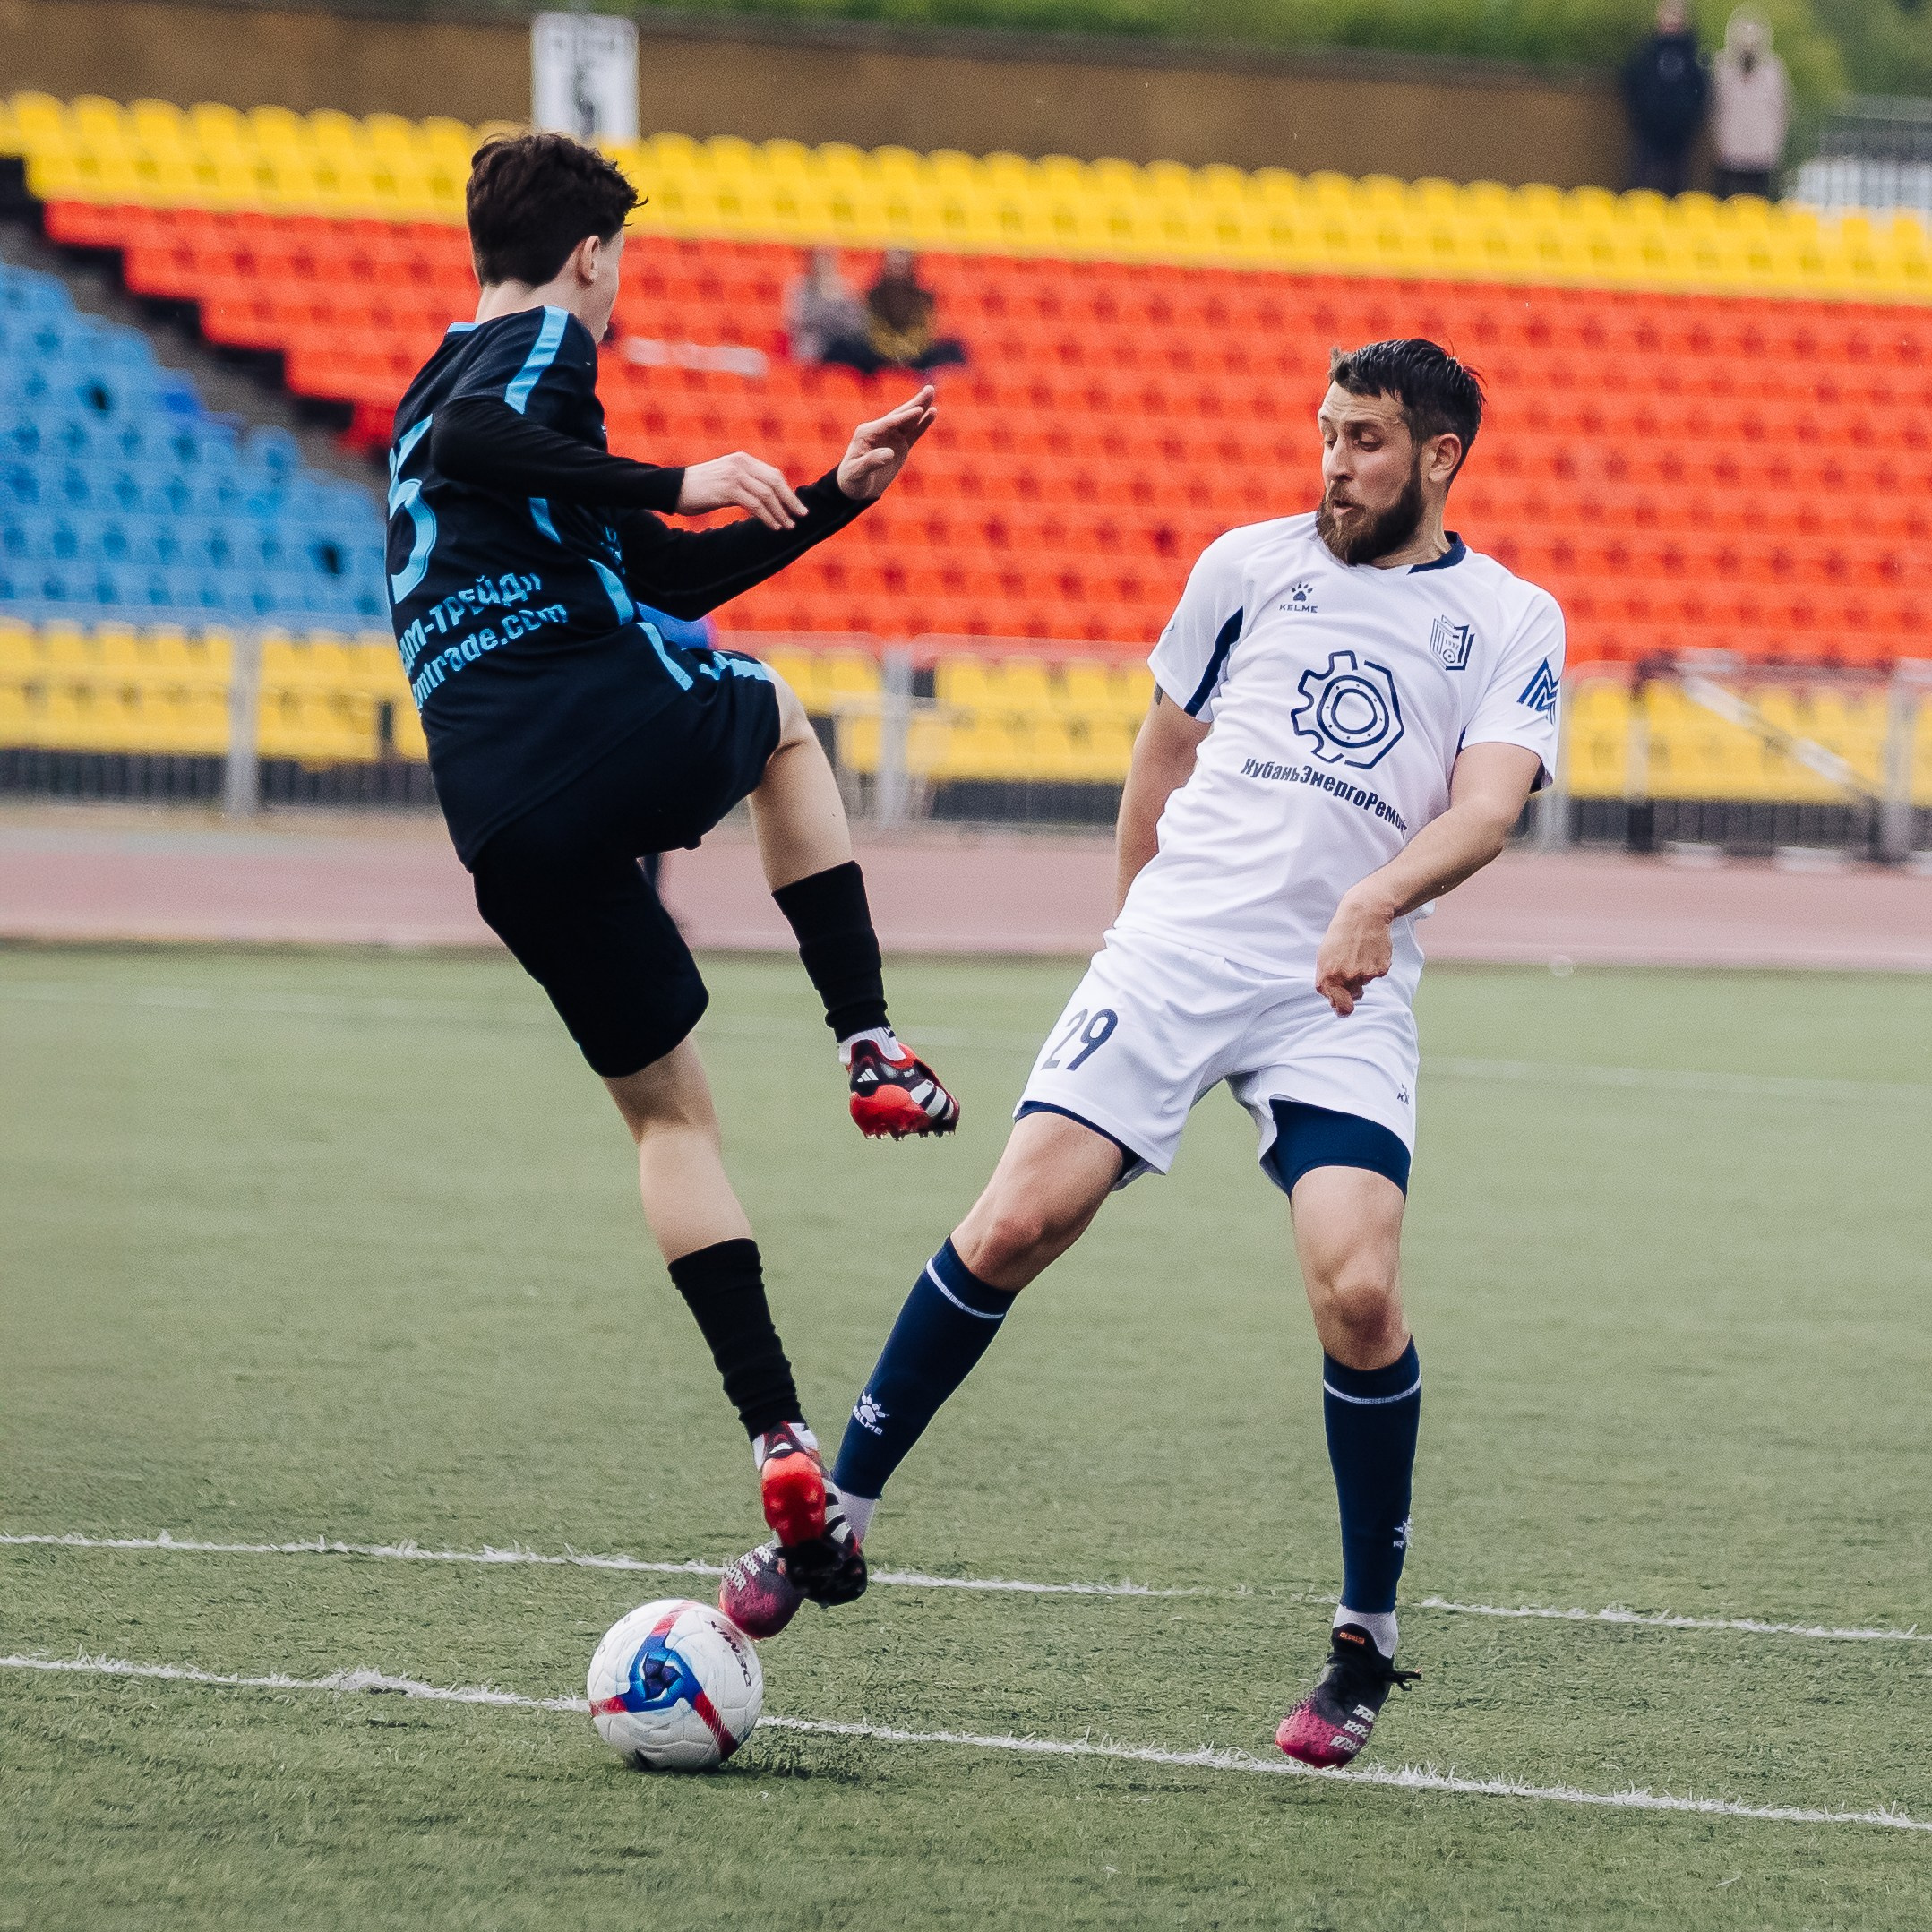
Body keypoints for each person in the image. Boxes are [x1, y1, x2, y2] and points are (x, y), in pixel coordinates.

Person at [722, 339, 1567, 1773]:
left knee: (1359, 1292)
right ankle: (831, 1523)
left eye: (1365, 441)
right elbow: (1156, 762)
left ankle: (1362, 1636)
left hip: (1336, 993)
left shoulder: (1509, 616)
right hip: (1176, 953)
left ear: (1440, 457)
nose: (1335, 464)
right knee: (1015, 1219)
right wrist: (1130, 943)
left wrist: (1371, 902)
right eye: (1324, 433)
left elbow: (1488, 808)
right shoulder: (1245, 566)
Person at [384, 132, 959, 1594]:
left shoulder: (439, 396)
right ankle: (871, 1042)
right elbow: (493, 451)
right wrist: (683, 464)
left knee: (669, 1120)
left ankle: (778, 1437)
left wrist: (833, 494)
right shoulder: (526, 355)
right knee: (774, 713)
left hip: (499, 822)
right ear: (592, 253)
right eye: (621, 255)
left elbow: (667, 571)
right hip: (572, 714)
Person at [1622, 0, 1710, 196]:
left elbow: (1701, 91)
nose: (1672, 20)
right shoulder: (1646, 51)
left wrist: (1688, 120)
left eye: (1677, 14)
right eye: (1668, 13)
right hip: (1648, 134)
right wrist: (1643, 115)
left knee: (1676, 191)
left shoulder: (1694, 54)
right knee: (1641, 189)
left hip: (1680, 137)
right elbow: (1632, 82)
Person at [1711, 8, 1790, 200]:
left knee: (1758, 205)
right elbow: (1716, 108)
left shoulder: (1773, 71)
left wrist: (1774, 147)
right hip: (1730, 153)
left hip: (1760, 155)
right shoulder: (1723, 68)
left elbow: (1781, 111)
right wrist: (1719, 141)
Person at [785, 247, 870, 367]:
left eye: (827, 258)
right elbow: (794, 321)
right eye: (819, 258)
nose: (823, 263)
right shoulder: (799, 287)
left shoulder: (846, 288)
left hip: (841, 348)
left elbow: (856, 323)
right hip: (811, 347)